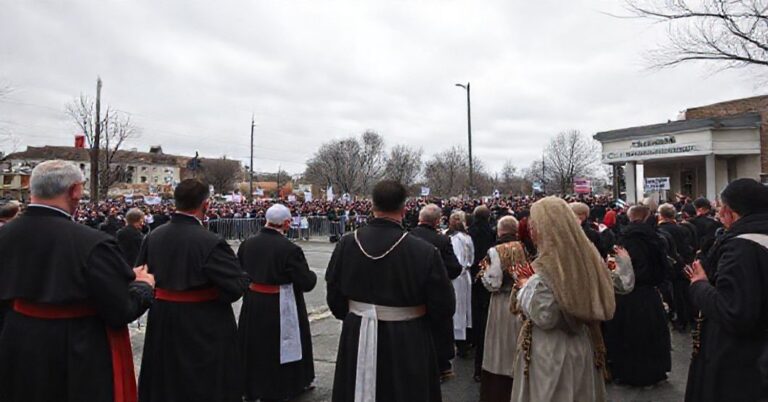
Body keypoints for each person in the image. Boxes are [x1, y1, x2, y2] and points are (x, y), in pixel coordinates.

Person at [0, 160, 155, 401]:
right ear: (74, 191)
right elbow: (120, 309)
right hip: (75, 350)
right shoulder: (93, 243)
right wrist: (143, 286)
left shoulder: (5, 234)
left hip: (16, 340)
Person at [326, 180, 455, 402]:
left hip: (357, 332)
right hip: (408, 337)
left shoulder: (346, 244)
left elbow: (335, 295)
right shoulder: (424, 251)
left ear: (372, 206)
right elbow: (443, 306)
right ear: (404, 209)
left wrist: (356, 316)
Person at [137, 179, 249, 402]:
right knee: (202, 383)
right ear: (206, 205)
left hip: (163, 319)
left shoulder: (153, 236)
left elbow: (140, 274)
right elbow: (235, 287)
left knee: (167, 380)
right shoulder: (211, 241)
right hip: (203, 324)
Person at [510, 197, 615, 401]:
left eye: (535, 225)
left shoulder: (549, 266)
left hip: (553, 351)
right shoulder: (588, 257)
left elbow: (547, 315)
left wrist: (525, 286)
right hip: (582, 345)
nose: (531, 231)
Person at [684, 178, 768, 402]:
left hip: (740, 365)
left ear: (730, 212)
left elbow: (734, 311)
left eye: (721, 208)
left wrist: (699, 284)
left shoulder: (741, 248)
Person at [238, 204, 317, 402]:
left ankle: (251, 386)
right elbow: (306, 282)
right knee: (280, 348)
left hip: (253, 302)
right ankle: (285, 386)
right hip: (281, 304)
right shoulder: (290, 249)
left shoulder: (247, 244)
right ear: (287, 223)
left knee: (255, 346)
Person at [605, 204, 671, 386]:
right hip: (649, 294)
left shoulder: (624, 239)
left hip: (628, 295)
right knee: (651, 334)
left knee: (630, 336)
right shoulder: (656, 238)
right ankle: (654, 371)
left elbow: (616, 267)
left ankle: (629, 372)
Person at [410, 203, 462, 380]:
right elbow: (454, 268)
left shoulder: (407, 237)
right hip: (435, 294)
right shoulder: (442, 240)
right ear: (438, 221)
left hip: (412, 293)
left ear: (420, 218)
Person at [478, 216, 526, 402]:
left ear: (499, 231)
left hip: (502, 301)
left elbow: (493, 282)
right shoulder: (524, 247)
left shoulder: (495, 251)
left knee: (499, 346)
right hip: (521, 299)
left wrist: (483, 273)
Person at [468, 205, 497, 382]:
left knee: (475, 307)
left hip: (474, 273)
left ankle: (474, 336)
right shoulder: (491, 232)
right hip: (486, 272)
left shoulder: (470, 232)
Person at [657, 203, 695, 332]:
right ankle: (688, 317)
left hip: (669, 266)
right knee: (683, 292)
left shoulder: (659, 231)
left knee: (671, 293)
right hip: (684, 264)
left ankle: (676, 317)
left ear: (661, 215)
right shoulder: (684, 228)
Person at [446, 210, 474, 359]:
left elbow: (458, 260)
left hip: (458, 276)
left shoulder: (457, 239)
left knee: (459, 309)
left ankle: (460, 341)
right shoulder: (466, 237)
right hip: (464, 275)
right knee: (462, 308)